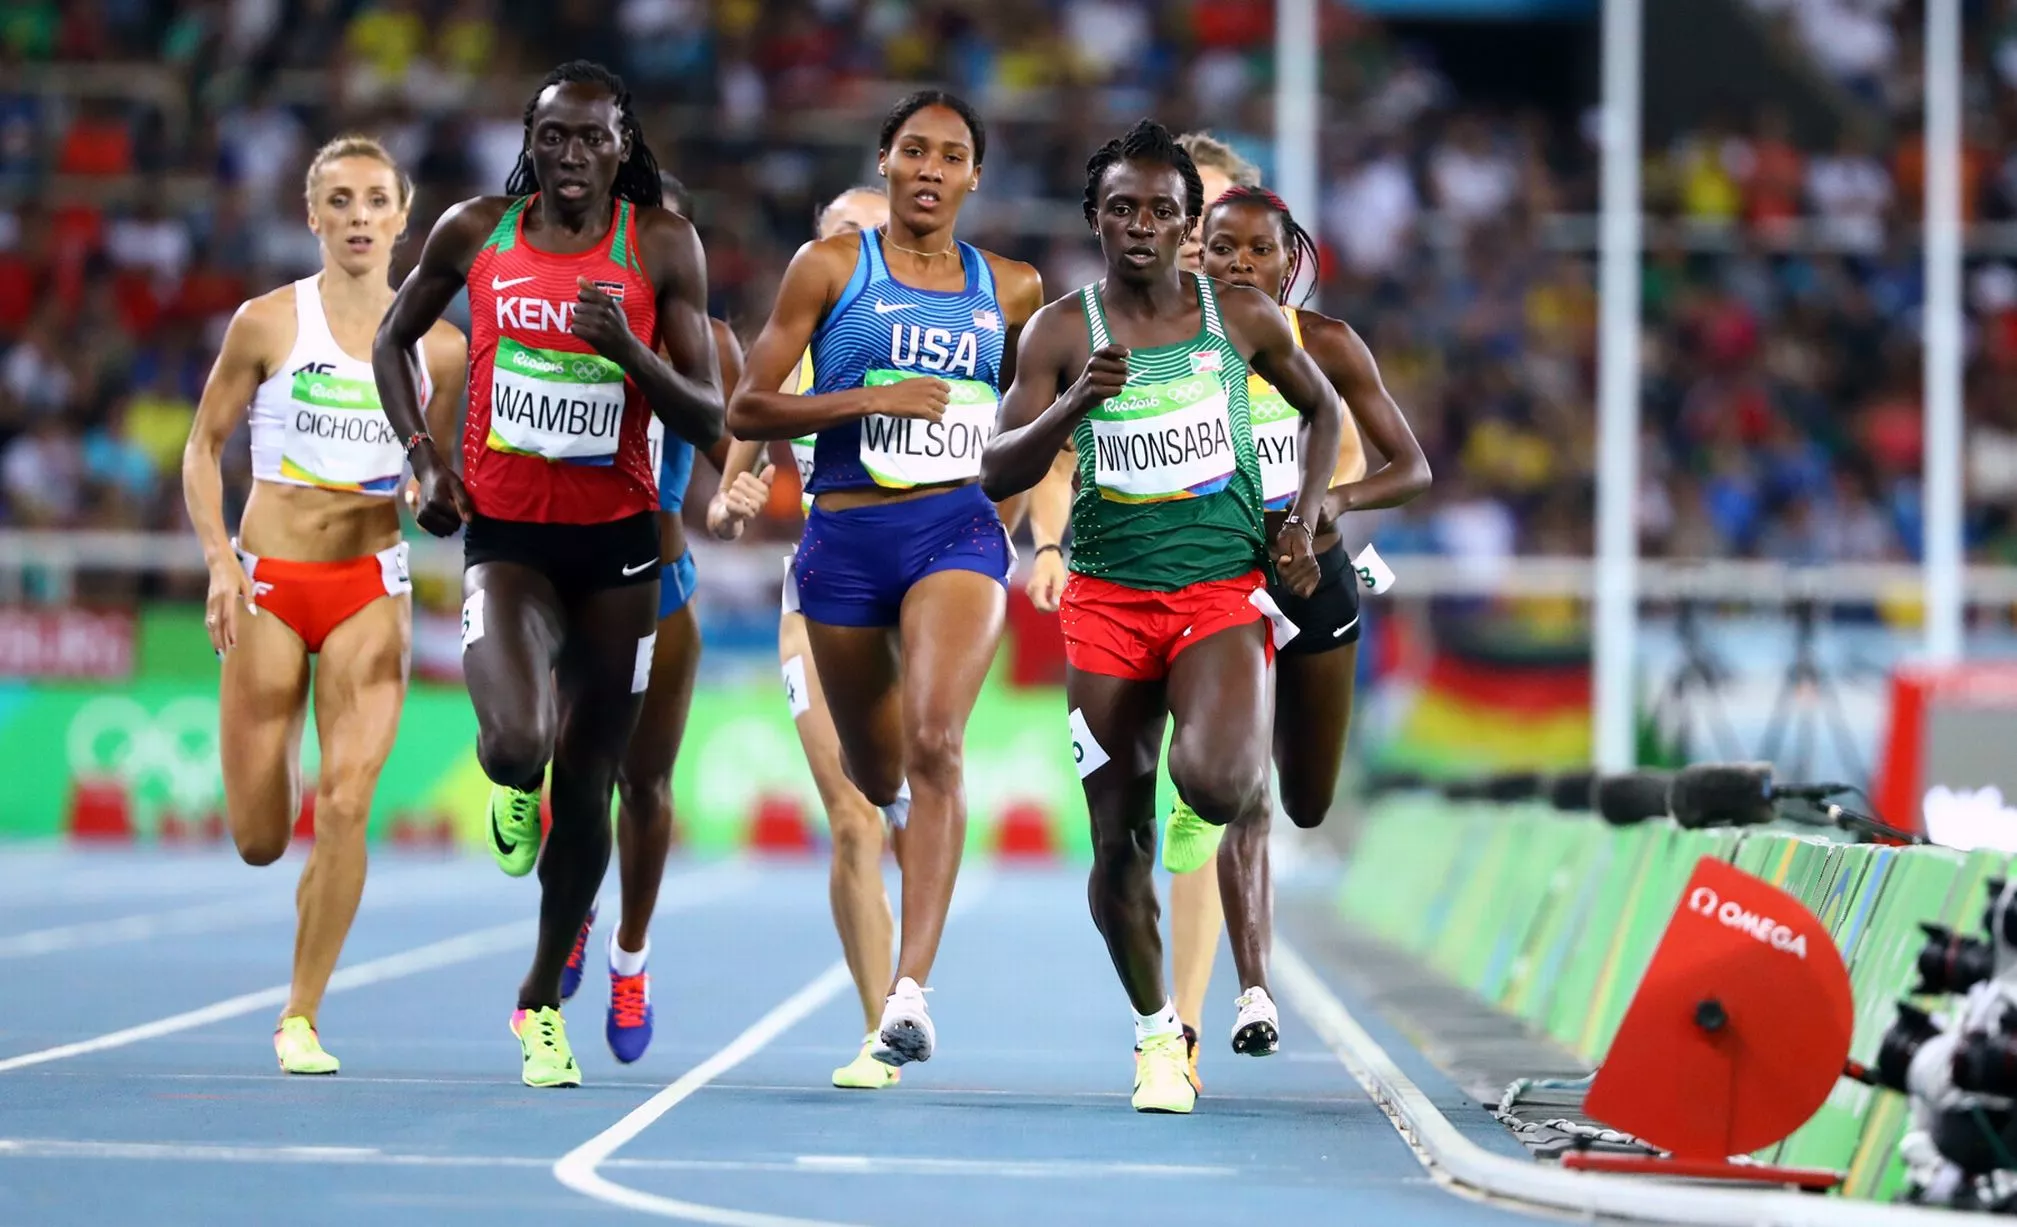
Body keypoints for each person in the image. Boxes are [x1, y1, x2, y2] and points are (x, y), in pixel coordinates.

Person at [372, 60, 724, 1088]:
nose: (574, 157)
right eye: (554, 137)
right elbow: (395, 341)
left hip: (619, 549)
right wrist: (423, 459)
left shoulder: (659, 246)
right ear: (529, 141)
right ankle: (511, 784)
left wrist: (630, 353)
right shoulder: (473, 231)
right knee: (521, 740)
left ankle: (537, 1003)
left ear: (625, 145)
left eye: (594, 138)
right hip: (509, 542)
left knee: (598, 780)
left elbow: (709, 419)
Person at [980, 118, 1343, 1114]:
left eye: (1161, 210)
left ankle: (1199, 795)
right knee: (1115, 849)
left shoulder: (1238, 319)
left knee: (1222, 783)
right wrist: (1066, 410)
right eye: (1121, 209)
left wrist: (1306, 522)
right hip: (1103, 606)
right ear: (1095, 220)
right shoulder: (1061, 330)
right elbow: (995, 473)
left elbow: (1324, 415)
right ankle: (1155, 1036)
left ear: (1189, 224)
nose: (1141, 226)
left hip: (1216, 595)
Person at [713, 184, 1070, 1088]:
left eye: (874, 232)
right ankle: (877, 1013)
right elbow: (736, 462)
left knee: (930, 751)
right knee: (853, 811)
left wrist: (1020, 529)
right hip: (825, 585)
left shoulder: (963, 315)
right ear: (819, 246)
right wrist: (734, 495)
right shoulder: (798, 344)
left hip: (940, 563)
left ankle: (899, 1010)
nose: (869, 248)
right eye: (847, 233)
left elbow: (1031, 440)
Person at [182, 135, 468, 1075]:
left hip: (367, 587)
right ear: (311, 216)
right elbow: (200, 451)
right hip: (268, 584)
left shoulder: (440, 347)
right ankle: (282, 775)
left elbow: (449, 474)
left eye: (373, 200)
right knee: (264, 838)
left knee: (348, 803)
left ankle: (300, 1015)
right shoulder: (266, 323)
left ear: (402, 218)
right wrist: (222, 563)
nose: (355, 216)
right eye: (337, 200)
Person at [1166, 184, 1433, 1074]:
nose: (1239, 263)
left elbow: (1411, 467)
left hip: (1316, 579)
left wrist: (1325, 507)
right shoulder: (1170, 346)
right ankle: (1254, 989)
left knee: (1306, 800)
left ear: (1290, 262)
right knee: (1244, 788)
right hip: (1222, 589)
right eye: (1221, 248)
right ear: (1195, 255)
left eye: (1256, 251)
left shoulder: (1326, 344)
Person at [553, 170, 766, 1066]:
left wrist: (736, 492)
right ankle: (570, 906)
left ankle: (629, 956)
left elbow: (732, 448)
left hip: (660, 579)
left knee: (643, 785)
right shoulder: (553, 307)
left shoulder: (705, 334)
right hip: (558, 570)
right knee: (563, 770)